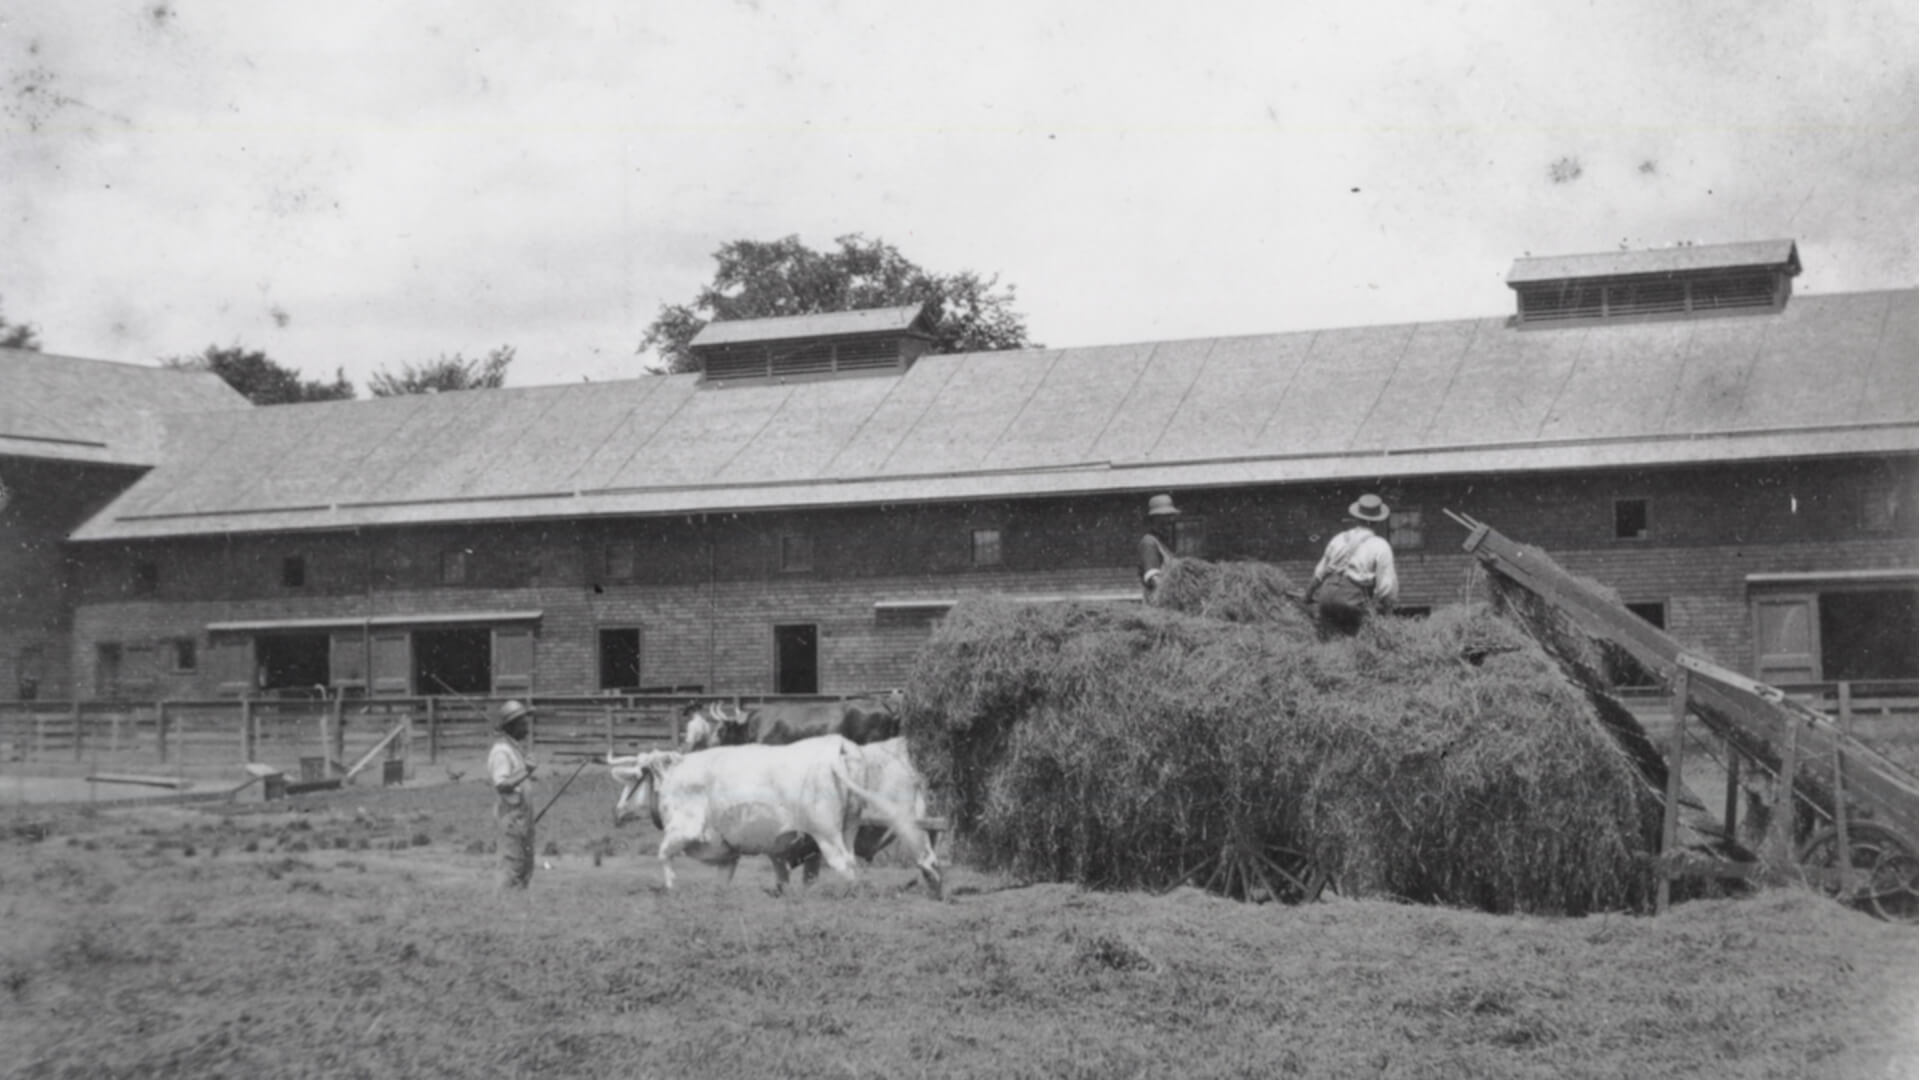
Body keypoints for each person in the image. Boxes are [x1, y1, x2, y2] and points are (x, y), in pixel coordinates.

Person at [1304, 494, 1399, 636]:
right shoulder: (1380, 545)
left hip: (1326, 599)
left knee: (1330, 639)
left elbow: (1319, 574)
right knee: (1356, 640)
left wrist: (1307, 597)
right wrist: (1387, 616)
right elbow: (1386, 588)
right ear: (1377, 521)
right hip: (1352, 603)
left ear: (1356, 518)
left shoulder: (1338, 538)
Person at [488, 699, 538, 890]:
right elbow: (501, 785)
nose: (527, 727)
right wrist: (526, 770)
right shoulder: (501, 751)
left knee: (525, 866)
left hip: (522, 816)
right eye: (523, 723)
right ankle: (503, 910)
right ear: (513, 726)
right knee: (512, 868)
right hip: (511, 818)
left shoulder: (514, 749)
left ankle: (518, 911)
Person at [1137, 493, 1181, 601]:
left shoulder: (1163, 543)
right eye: (1163, 518)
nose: (1169, 521)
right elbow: (1154, 579)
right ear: (1153, 520)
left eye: (1170, 517)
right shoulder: (1149, 543)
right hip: (1158, 604)